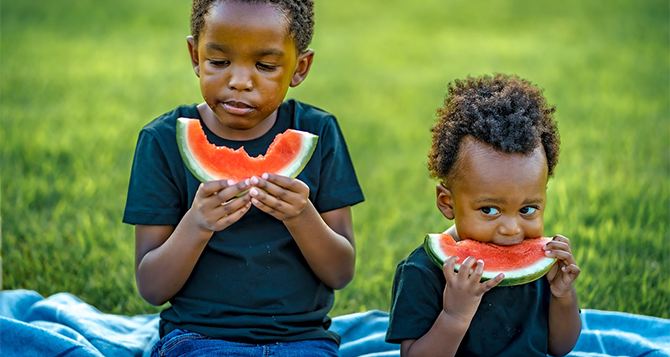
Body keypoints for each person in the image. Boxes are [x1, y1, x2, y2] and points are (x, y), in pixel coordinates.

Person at [122, 0, 364, 355]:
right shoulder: (161, 141)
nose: (239, 82)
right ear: (195, 55)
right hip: (198, 338)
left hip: (301, 340)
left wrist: (301, 216)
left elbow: (340, 272)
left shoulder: (318, 133)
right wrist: (198, 224)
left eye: (265, 65)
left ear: (300, 67)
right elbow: (152, 287)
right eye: (219, 62)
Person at [385, 74, 582, 356]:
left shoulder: (542, 268)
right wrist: (455, 316)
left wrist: (562, 296)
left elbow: (560, 347)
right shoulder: (421, 272)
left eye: (528, 209)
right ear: (447, 202)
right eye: (489, 210)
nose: (512, 229)